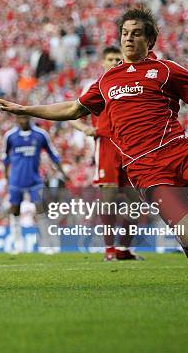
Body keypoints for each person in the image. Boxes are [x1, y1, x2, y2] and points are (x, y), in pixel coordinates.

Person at [0, 6, 188, 268]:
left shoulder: (166, 70)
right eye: (124, 33)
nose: (128, 39)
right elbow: (72, 108)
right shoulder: (107, 81)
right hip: (146, 170)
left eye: (136, 34)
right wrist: (27, 108)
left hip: (180, 151)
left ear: (150, 41)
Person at [70, 46, 142, 261]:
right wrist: (85, 129)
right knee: (109, 199)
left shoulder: (133, 84)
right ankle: (109, 249)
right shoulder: (96, 86)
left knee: (135, 202)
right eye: (110, 59)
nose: (114, 62)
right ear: (103, 62)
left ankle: (124, 248)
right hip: (107, 144)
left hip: (131, 146)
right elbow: (73, 114)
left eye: (118, 59)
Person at [3, 114, 67, 254]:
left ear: (30, 119)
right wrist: (6, 176)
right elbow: (5, 158)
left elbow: (53, 154)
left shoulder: (40, 135)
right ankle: (17, 245)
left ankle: (46, 244)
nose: (23, 120)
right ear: (16, 119)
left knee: (40, 210)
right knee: (15, 211)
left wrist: (62, 172)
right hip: (16, 180)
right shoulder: (10, 136)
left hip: (35, 180)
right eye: (21, 118)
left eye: (26, 118)